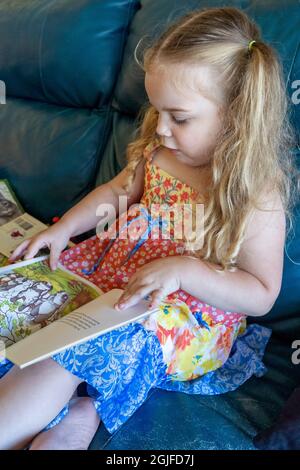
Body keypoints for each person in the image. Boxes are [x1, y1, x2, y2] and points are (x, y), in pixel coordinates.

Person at [0, 6, 297, 450]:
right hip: (113, 281)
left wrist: (183, 270)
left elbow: (261, 291)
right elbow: (115, 192)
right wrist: (65, 231)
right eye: (157, 110)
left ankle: (77, 408)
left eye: (179, 117)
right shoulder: (161, 150)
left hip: (184, 316)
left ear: (237, 115)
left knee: (80, 348)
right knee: (29, 309)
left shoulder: (254, 190)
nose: (161, 127)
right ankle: (77, 413)